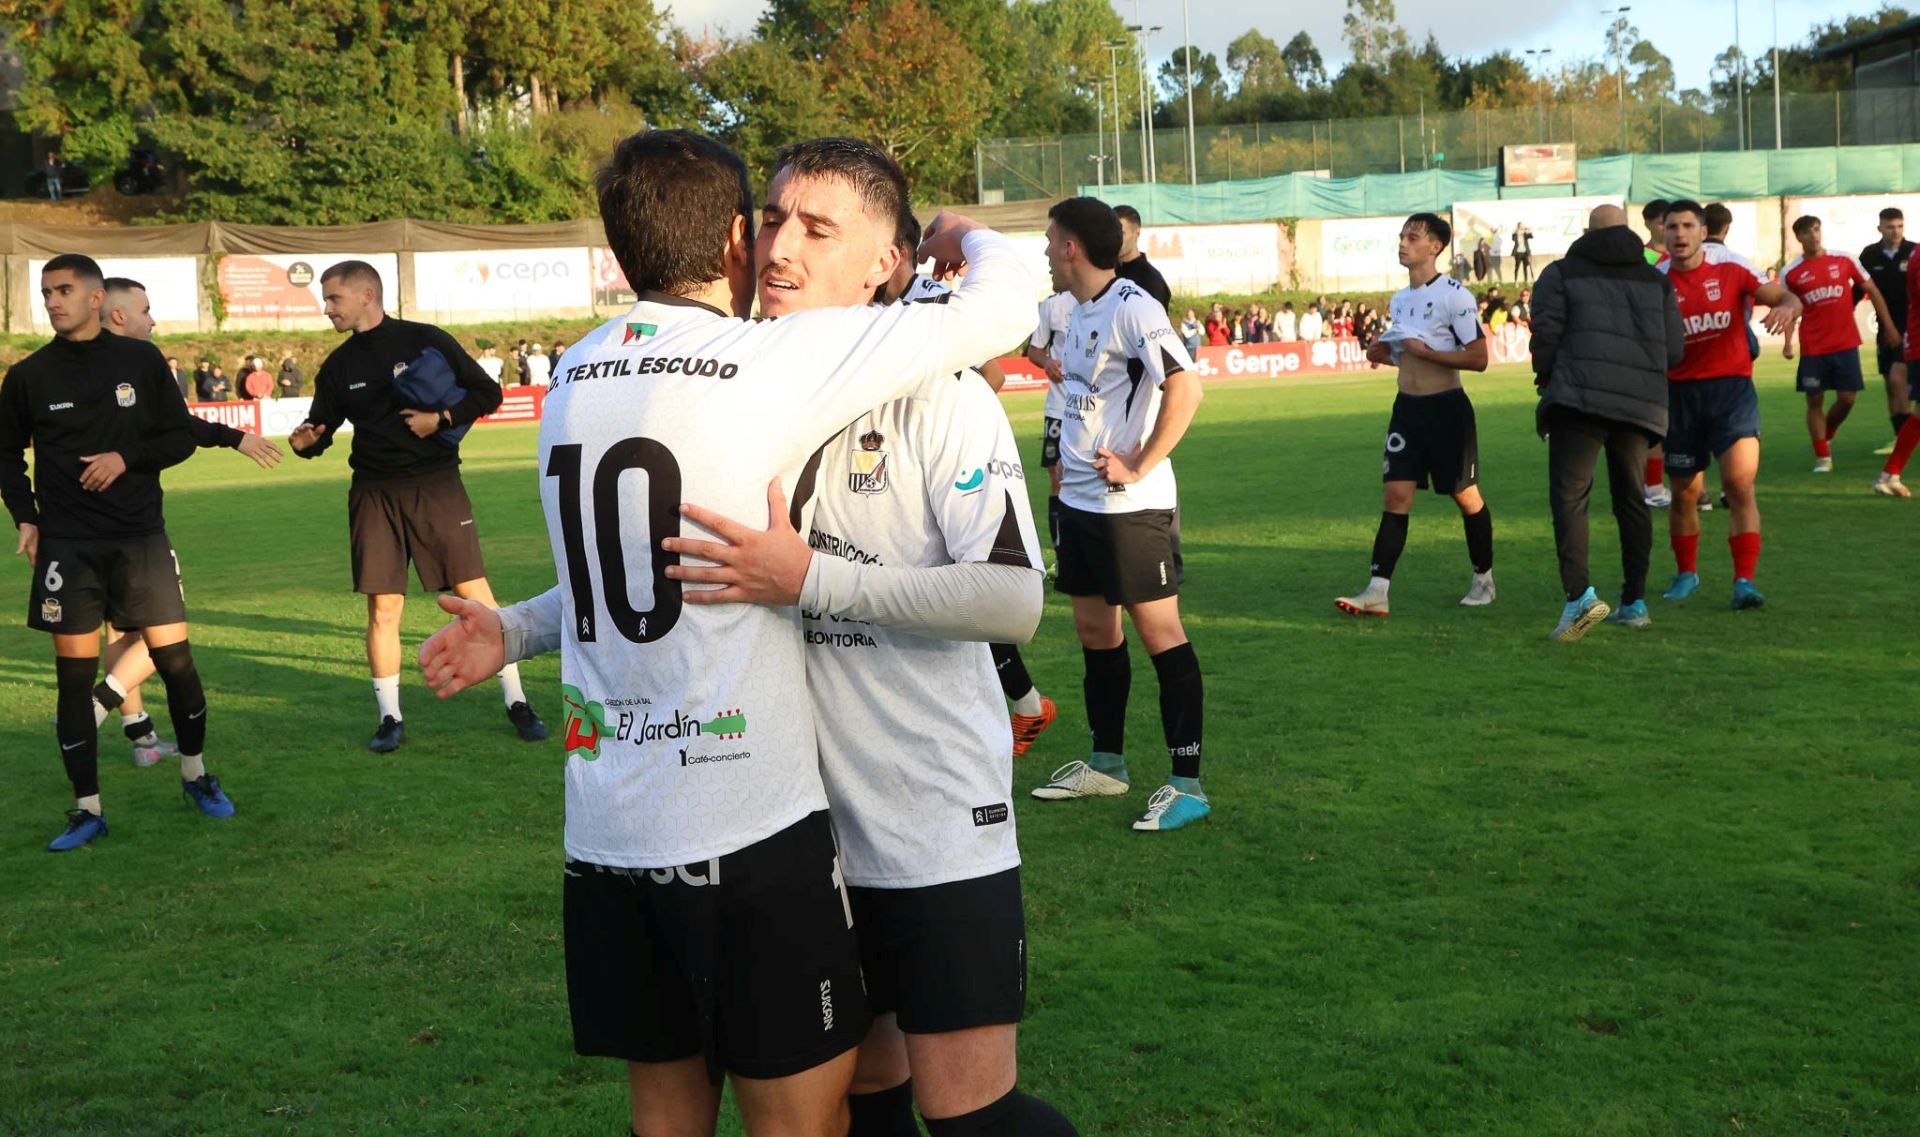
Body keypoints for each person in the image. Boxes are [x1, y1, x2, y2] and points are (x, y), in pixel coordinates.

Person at [416, 128, 1041, 1137]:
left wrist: (813, 579)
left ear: (888, 262)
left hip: (923, 818)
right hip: (797, 827)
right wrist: (523, 627)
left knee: (968, 1117)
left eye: (818, 227)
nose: (786, 246)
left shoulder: (935, 396)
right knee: (862, 1101)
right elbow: (671, 567)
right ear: (739, 241)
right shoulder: (751, 375)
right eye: (776, 219)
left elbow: (1013, 601)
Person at [1, 254, 234, 852]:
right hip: (68, 548)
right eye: (47, 291)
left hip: (139, 538)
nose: (53, 301)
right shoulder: (29, 376)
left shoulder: (140, 360)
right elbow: (5, 455)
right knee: (73, 681)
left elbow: (180, 435)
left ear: (97, 297)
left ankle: (196, 775)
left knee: (176, 662)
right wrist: (26, 516)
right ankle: (87, 811)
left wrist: (125, 459)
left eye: (66, 290)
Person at [290, 260, 545, 751]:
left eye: (333, 299)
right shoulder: (338, 366)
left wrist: (442, 417)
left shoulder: (424, 338)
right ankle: (390, 718)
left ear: (367, 295)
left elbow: (487, 393)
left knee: (477, 596)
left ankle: (517, 701)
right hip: (373, 492)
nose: (326, 309)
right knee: (383, 607)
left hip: (435, 484)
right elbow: (320, 427)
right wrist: (307, 442)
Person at [1025, 197, 1210, 833]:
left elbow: (1186, 385)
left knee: (1161, 636)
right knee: (1095, 634)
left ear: (1073, 247)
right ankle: (1107, 764)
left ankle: (1187, 782)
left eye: (1051, 240)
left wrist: (1140, 461)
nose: (1046, 251)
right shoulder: (1074, 311)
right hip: (1078, 501)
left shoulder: (1134, 306)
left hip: (1132, 507)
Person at [91, 277, 283, 764]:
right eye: (146, 310)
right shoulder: (137, 363)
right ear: (118, 315)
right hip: (133, 525)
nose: (152, 319)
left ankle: (140, 737)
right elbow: (178, 430)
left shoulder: (72, 364)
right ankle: (96, 704)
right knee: (164, 629)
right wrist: (233, 438)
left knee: (119, 629)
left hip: (79, 525)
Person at [1528, 204, 1686, 639]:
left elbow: (1546, 332)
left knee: (1571, 497)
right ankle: (1634, 601)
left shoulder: (1560, 274)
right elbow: (1675, 351)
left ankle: (1579, 596)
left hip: (1578, 398)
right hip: (1639, 405)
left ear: (1586, 232)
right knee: (1631, 500)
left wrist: (1546, 375)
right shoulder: (1657, 281)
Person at [1337, 212, 1496, 617]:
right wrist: (1385, 355)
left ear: (1436, 247)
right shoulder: (1400, 299)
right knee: (1396, 496)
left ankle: (1483, 579)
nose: (1403, 243)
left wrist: (1425, 352)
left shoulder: (1455, 295)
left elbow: (1478, 358)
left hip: (1447, 412)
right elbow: (1409, 357)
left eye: (1413, 237)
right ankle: (1377, 591)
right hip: (1406, 411)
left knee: (1466, 497)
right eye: (1402, 236)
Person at [1655, 200, 1801, 609]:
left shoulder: (1732, 270)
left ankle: (1744, 581)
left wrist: (1789, 306)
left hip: (1731, 391)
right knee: (1684, 491)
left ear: (1704, 232)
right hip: (1679, 396)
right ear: (1663, 234)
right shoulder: (1655, 281)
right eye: (1672, 227)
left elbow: (1785, 296)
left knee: (1739, 486)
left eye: (1687, 226)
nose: (1679, 234)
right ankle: (1686, 573)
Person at [1781, 216, 1898, 473]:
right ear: (1799, 237)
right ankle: (1822, 457)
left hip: (1845, 343)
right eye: (1807, 232)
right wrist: (1788, 342)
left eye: (1816, 230)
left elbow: (1873, 290)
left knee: (1847, 399)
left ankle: (1828, 432)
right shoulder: (1790, 272)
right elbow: (1788, 308)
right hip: (1813, 346)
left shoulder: (1844, 259)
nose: (1814, 236)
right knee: (1815, 401)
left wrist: (1888, 326)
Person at [1858, 207, 1915, 449]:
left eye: (1900, 226)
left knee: (1898, 378)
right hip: (1885, 327)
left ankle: (1905, 440)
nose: (1896, 231)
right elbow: (1858, 287)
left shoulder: (1914, 251)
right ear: (1879, 228)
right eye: (1890, 226)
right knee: (1890, 384)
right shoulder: (1869, 255)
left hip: (1912, 325)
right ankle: (1899, 436)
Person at [1110, 204, 1171, 311]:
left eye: (1122, 233)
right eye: (1112, 233)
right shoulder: (1106, 272)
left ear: (1136, 233)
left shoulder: (1150, 279)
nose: (1116, 239)